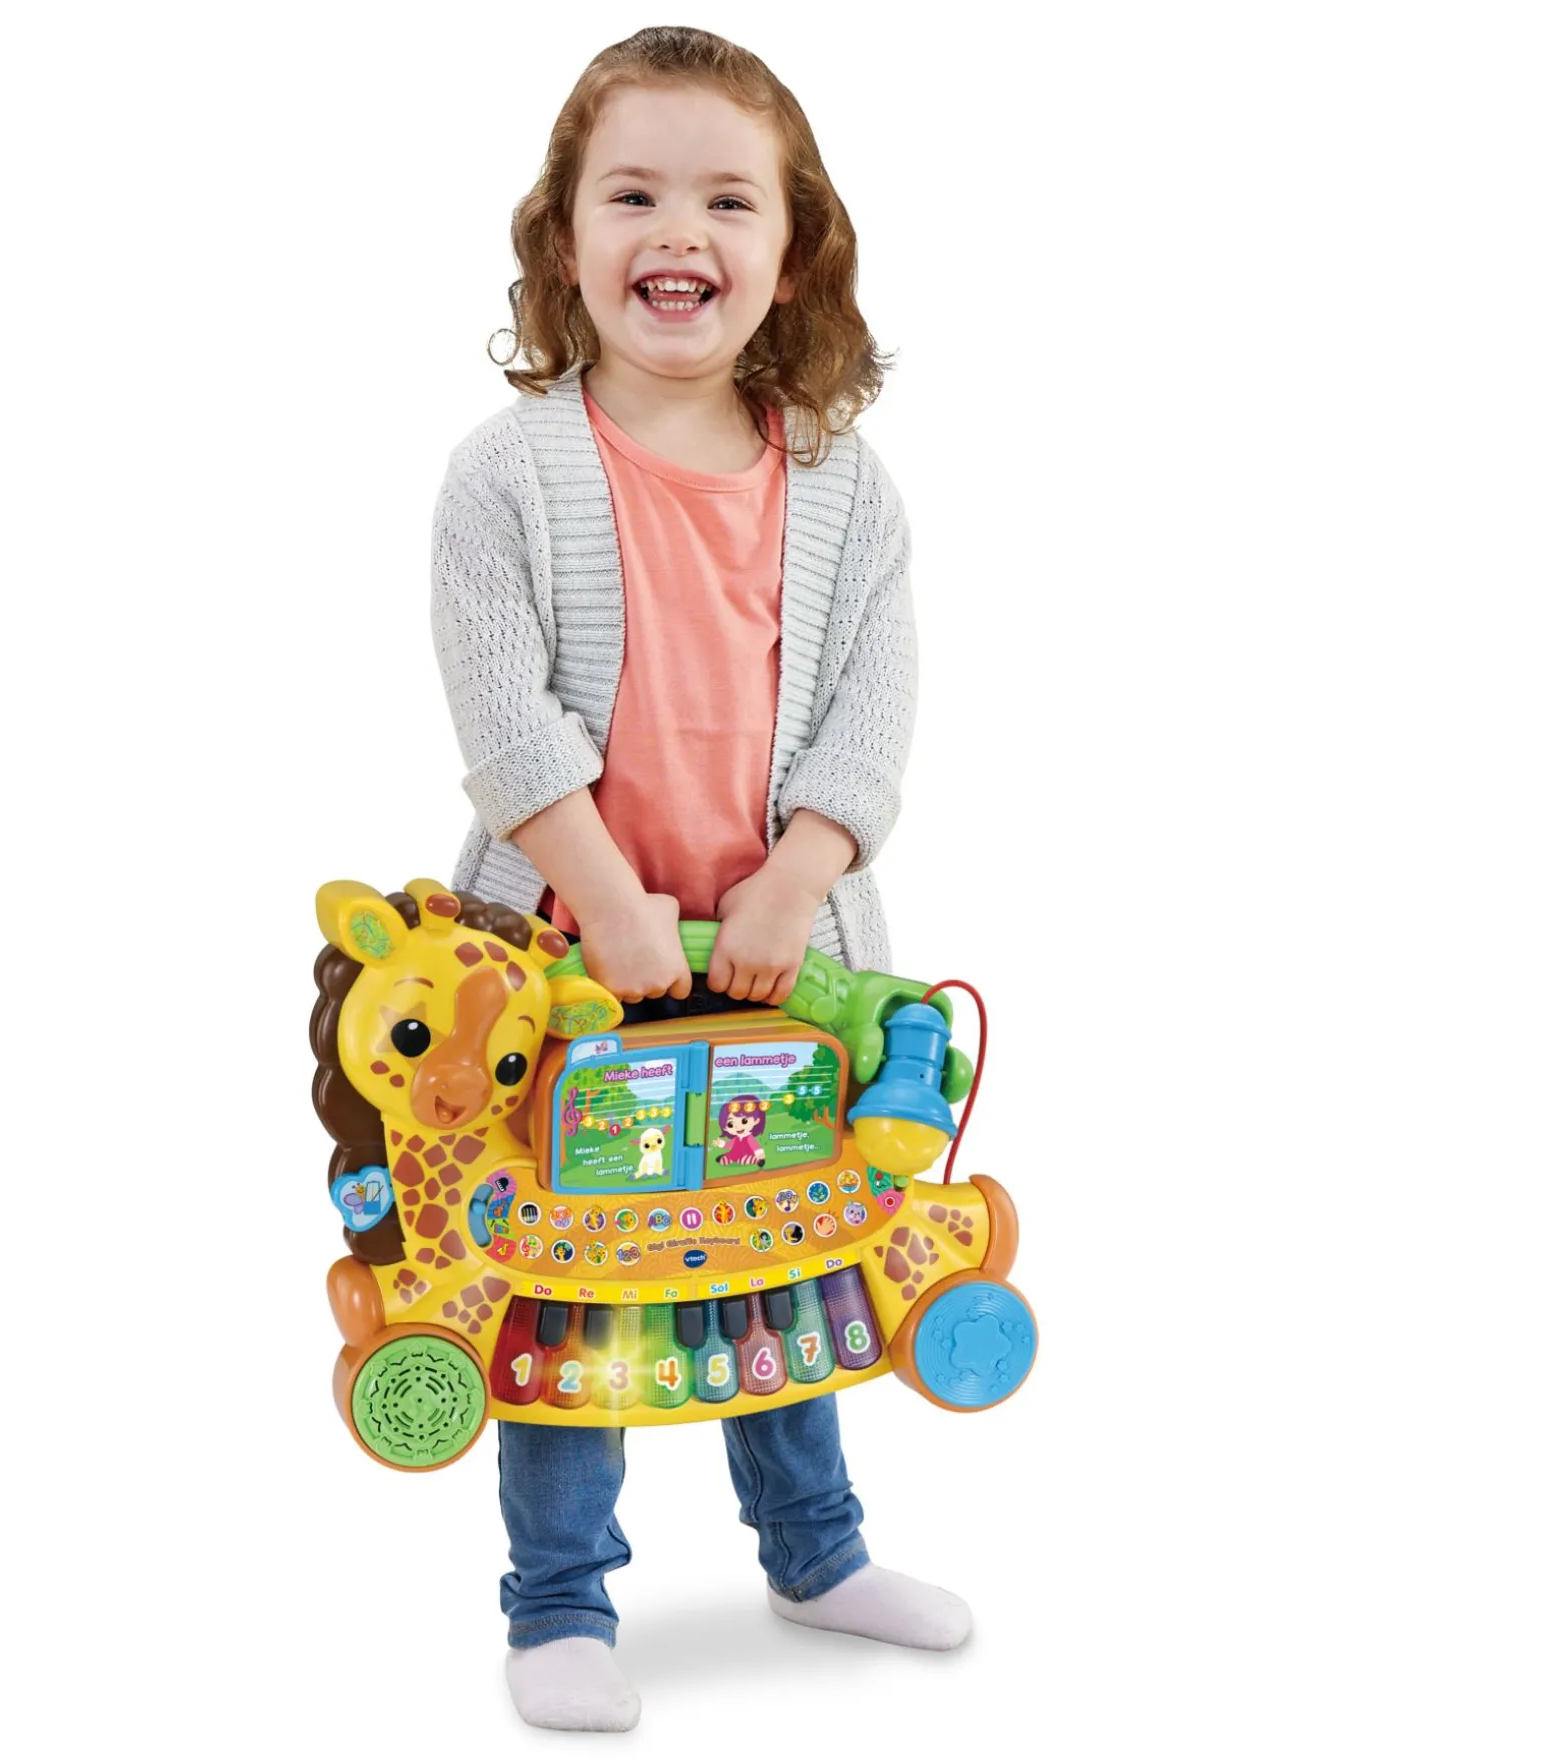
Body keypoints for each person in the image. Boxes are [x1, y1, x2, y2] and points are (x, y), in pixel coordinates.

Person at [429, 25, 968, 1733]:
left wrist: (800, 878)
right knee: (575, 1275)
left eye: (730, 199)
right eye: (634, 194)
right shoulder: (506, 475)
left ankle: (815, 1552)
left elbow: (875, 702)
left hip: (776, 967)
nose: (682, 229)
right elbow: (503, 716)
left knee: (777, 1251)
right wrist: (605, 898)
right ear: (563, 240)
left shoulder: (842, 483)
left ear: (792, 252)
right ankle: (558, 1601)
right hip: (566, 973)